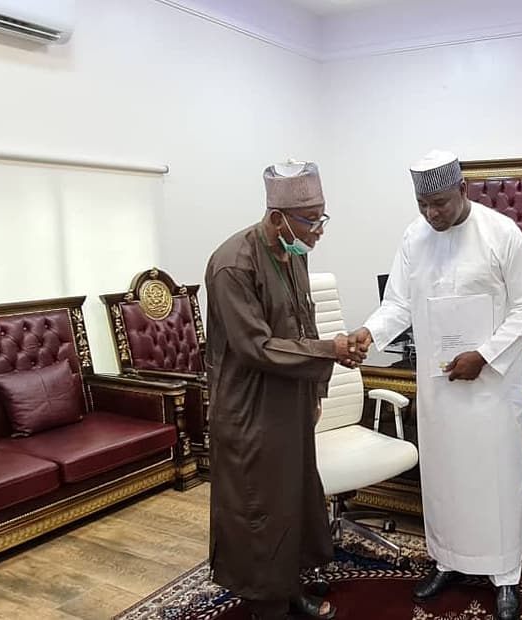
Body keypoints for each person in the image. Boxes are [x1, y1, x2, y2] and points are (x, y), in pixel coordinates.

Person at [348, 150, 522, 620]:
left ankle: (505, 574)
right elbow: (397, 303)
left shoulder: (501, 234)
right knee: (444, 477)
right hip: (439, 386)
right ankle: (448, 560)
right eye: (423, 204)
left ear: (463, 190)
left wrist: (486, 355)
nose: (432, 214)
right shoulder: (414, 239)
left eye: (440, 203)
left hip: (490, 389)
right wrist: (368, 333)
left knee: (495, 478)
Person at [205, 161, 366, 620]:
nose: (318, 231)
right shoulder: (232, 264)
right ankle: (266, 604)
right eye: (310, 220)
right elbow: (256, 347)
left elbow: (304, 319)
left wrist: (317, 389)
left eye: (322, 217)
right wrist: (330, 351)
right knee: (260, 509)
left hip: (292, 399)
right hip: (249, 408)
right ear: (277, 217)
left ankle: (290, 588)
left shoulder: (293, 250)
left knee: (295, 499)